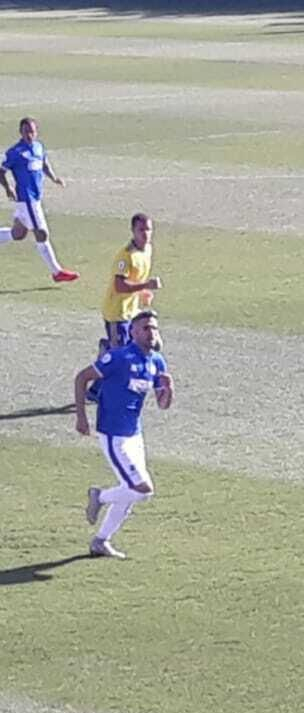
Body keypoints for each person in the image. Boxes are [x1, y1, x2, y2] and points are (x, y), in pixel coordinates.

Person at [74, 310, 172, 560]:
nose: (151, 333)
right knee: (142, 490)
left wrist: (168, 390)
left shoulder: (157, 362)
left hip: (135, 435)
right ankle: (99, 496)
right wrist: (81, 417)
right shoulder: (119, 357)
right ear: (133, 332)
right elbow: (82, 378)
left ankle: (100, 541)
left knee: (129, 493)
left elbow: (162, 404)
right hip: (113, 434)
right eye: (145, 328)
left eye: (154, 328)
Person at [0, 117, 77, 283]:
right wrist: (8, 188)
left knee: (18, 233)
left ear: (36, 132)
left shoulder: (39, 147)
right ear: (20, 132)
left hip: (35, 198)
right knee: (41, 233)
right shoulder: (15, 152)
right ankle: (57, 272)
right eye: (26, 131)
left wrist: (54, 178)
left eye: (32, 131)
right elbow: (1, 171)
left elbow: (44, 164)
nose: (29, 134)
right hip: (27, 200)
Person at [103, 213, 160, 350]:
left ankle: (107, 348)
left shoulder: (148, 249)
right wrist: (146, 285)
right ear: (133, 231)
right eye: (141, 230)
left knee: (137, 348)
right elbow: (119, 286)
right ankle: (105, 350)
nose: (145, 234)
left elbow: (136, 278)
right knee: (119, 354)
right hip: (118, 313)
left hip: (133, 311)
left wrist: (143, 291)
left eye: (148, 229)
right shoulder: (126, 256)